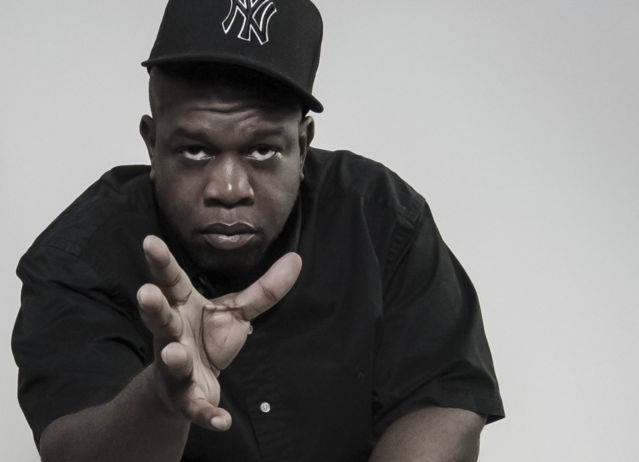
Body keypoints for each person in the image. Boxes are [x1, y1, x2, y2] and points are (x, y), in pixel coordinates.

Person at [12, 0, 504, 460]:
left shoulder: (379, 216)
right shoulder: (79, 258)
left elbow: (445, 401)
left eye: (263, 150)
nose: (228, 189)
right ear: (152, 143)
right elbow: (70, 449)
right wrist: (161, 398)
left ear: (303, 145)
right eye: (195, 150)